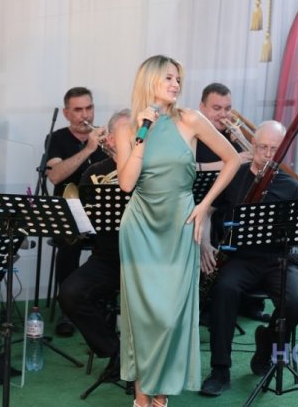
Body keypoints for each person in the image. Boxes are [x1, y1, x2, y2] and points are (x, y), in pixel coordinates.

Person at [114, 55, 241, 407]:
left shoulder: (191, 119)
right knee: (142, 317)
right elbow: (126, 184)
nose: (176, 84)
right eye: (168, 78)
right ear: (149, 80)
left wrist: (204, 204)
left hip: (180, 225)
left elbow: (233, 159)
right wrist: (143, 133)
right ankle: (143, 399)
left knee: (170, 317)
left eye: (178, 79)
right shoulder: (127, 126)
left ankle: (162, 394)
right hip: (139, 228)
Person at [199, 120, 298, 397]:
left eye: (274, 149)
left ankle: (266, 344)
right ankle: (220, 370)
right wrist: (205, 244)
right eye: (262, 147)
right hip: (240, 259)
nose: (267, 154)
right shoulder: (234, 175)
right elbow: (208, 211)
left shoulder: (289, 186)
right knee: (223, 291)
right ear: (252, 145)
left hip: (278, 260)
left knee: (296, 303)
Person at [58, 108, 130, 382]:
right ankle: (115, 350)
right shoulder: (95, 172)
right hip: (107, 258)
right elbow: (85, 222)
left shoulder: (149, 169)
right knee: (70, 293)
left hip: (144, 259)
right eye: (125, 133)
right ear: (109, 139)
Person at [196, 82, 266, 324]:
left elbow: (256, 168)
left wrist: (243, 143)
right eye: (216, 108)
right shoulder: (194, 136)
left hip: (227, 206)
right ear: (202, 107)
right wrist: (231, 161)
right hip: (200, 205)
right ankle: (207, 304)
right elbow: (189, 167)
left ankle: (248, 300)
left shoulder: (231, 136)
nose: (223, 115)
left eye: (227, 108)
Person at [45, 86, 108, 336]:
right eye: (78, 110)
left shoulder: (107, 137)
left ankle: (101, 303)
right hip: (67, 213)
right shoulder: (56, 139)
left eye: (89, 108)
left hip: (101, 213)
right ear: (66, 113)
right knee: (67, 244)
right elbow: (55, 176)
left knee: (115, 243)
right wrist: (89, 149)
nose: (86, 115)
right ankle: (67, 308)